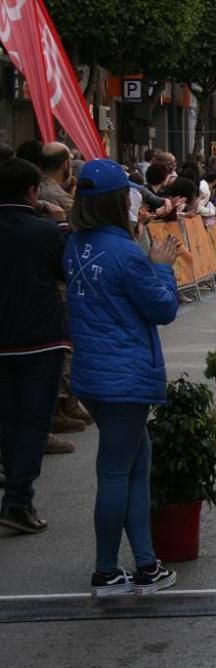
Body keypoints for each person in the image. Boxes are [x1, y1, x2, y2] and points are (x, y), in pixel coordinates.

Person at [64, 158, 181, 596]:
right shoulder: (125, 254)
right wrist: (161, 266)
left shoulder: (77, 245)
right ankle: (108, 570)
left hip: (96, 372)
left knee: (135, 468)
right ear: (119, 202)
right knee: (117, 472)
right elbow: (162, 308)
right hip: (125, 376)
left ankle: (147, 564)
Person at [0, 158, 71, 534]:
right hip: (40, 339)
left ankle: (13, 492)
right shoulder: (44, 231)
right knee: (33, 421)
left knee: (8, 418)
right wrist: (60, 222)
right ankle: (17, 499)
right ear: (32, 192)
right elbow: (68, 269)